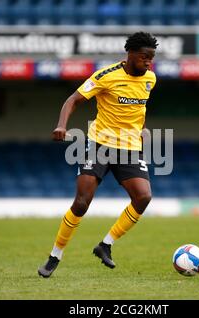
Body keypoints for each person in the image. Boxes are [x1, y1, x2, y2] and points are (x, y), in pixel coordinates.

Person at [38, 32, 158, 277]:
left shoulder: (150, 79)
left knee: (143, 197)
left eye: (152, 58)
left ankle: (105, 245)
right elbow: (73, 99)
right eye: (145, 57)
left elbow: (138, 108)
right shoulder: (106, 76)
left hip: (130, 147)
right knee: (82, 202)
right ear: (131, 54)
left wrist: (139, 128)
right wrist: (61, 125)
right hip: (99, 145)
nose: (149, 62)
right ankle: (54, 256)